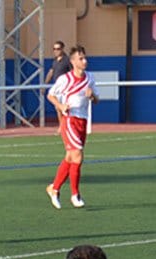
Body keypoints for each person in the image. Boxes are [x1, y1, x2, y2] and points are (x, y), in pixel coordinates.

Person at [45, 45, 97, 210]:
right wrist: (60, 106)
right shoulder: (65, 79)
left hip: (82, 121)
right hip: (69, 120)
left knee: (70, 157)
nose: (84, 61)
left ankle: (54, 188)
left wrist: (92, 96)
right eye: (81, 58)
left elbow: (96, 100)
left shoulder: (90, 78)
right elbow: (50, 95)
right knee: (78, 155)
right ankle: (75, 194)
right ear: (73, 61)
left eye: (85, 57)